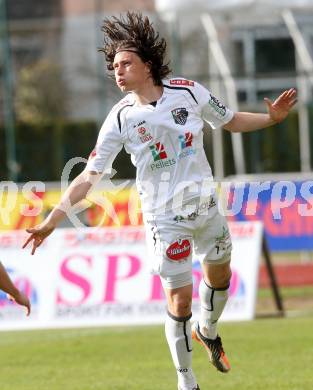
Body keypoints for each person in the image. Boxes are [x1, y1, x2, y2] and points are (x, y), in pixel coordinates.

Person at [23, 12, 297, 390]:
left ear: (147, 65)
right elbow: (88, 176)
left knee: (221, 275)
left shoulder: (187, 91)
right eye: (114, 66)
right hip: (164, 218)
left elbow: (230, 120)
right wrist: (51, 221)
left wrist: (271, 119)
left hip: (205, 206)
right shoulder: (119, 118)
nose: (117, 72)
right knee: (179, 301)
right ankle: (186, 380)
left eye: (125, 64)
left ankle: (208, 329)